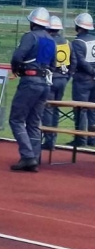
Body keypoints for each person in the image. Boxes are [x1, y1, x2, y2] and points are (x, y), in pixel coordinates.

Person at [8, 8, 55, 171]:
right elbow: (53, 64)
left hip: (30, 81)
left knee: (16, 119)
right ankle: (34, 157)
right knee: (34, 122)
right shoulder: (51, 39)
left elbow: (17, 56)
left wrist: (16, 68)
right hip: (44, 82)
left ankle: (28, 157)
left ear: (32, 23)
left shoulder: (31, 36)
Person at [42, 16, 72, 152]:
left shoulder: (47, 42)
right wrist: (67, 77)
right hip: (62, 79)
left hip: (50, 78)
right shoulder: (67, 42)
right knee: (56, 109)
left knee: (48, 109)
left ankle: (49, 141)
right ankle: (52, 140)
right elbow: (74, 61)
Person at [71, 12, 95, 148]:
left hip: (82, 79)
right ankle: (92, 139)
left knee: (81, 109)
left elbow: (80, 62)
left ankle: (81, 139)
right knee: (92, 109)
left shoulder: (77, 42)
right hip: (93, 79)